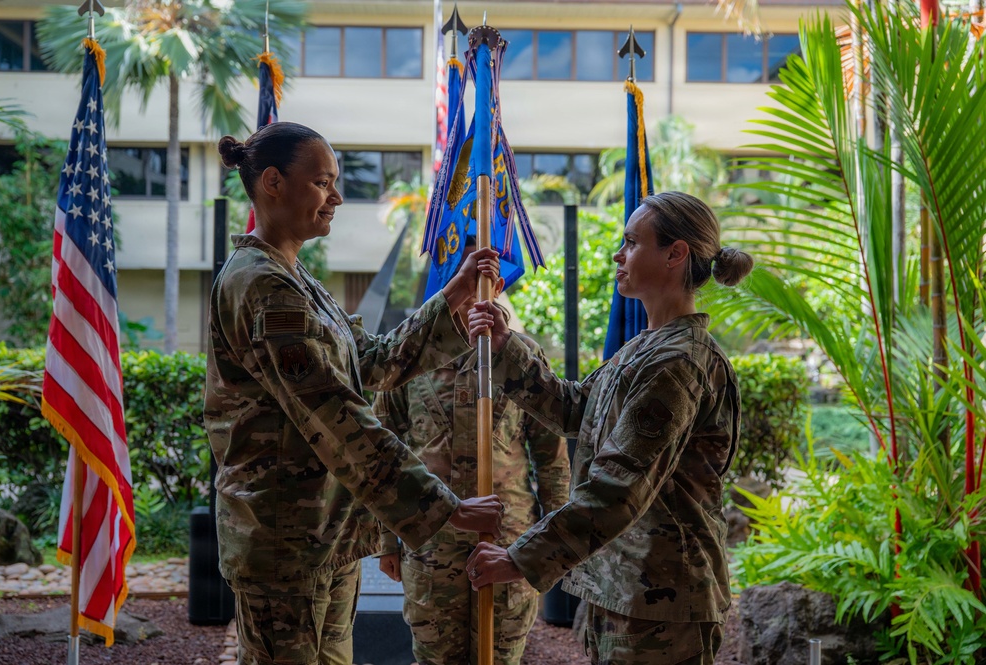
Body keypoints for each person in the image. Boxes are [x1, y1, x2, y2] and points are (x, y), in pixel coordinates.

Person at [204, 121, 503, 665]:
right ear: (272, 182)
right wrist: (443, 506)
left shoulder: (297, 281)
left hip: (323, 535)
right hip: (286, 544)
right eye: (323, 182)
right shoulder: (264, 286)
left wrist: (451, 301)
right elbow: (335, 414)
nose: (336, 197)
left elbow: (367, 365)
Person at [464, 191, 754, 665]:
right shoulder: (648, 348)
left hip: (661, 599)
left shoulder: (677, 361)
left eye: (632, 242)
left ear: (675, 254)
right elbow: (575, 409)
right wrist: (505, 346)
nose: (619, 254)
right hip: (625, 587)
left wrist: (521, 558)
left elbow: (618, 486)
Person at [373, 239, 571, 665]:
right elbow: (384, 449)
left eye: (480, 278)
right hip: (429, 541)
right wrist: (385, 539)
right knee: (435, 657)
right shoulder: (409, 358)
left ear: (497, 285)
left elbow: (551, 457)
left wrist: (554, 545)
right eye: (454, 274)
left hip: (506, 539)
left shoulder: (521, 355)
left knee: (499, 657)